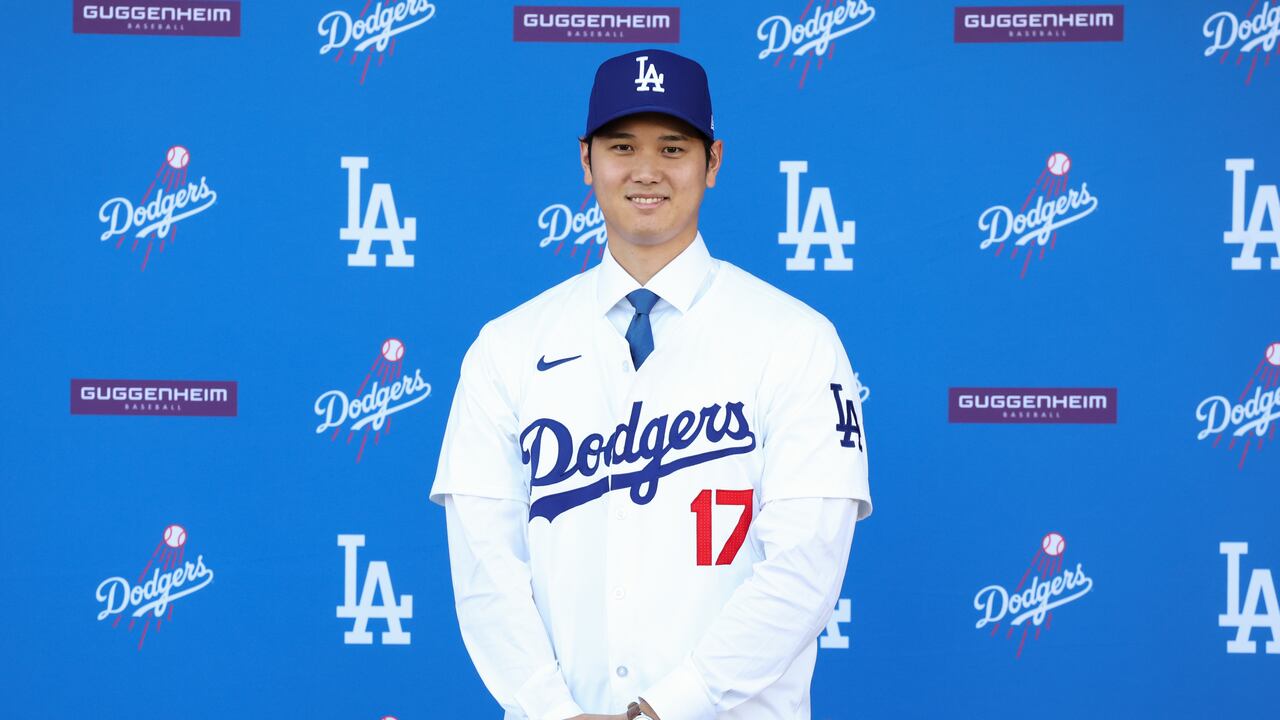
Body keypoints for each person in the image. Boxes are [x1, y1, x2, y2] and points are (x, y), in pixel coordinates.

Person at [431, 48, 871, 720]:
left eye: (673, 147)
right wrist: (555, 713)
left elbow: (805, 564)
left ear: (713, 162)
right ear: (586, 161)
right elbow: (485, 567)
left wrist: (663, 710)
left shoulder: (796, 339)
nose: (645, 171)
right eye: (621, 145)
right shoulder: (507, 347)